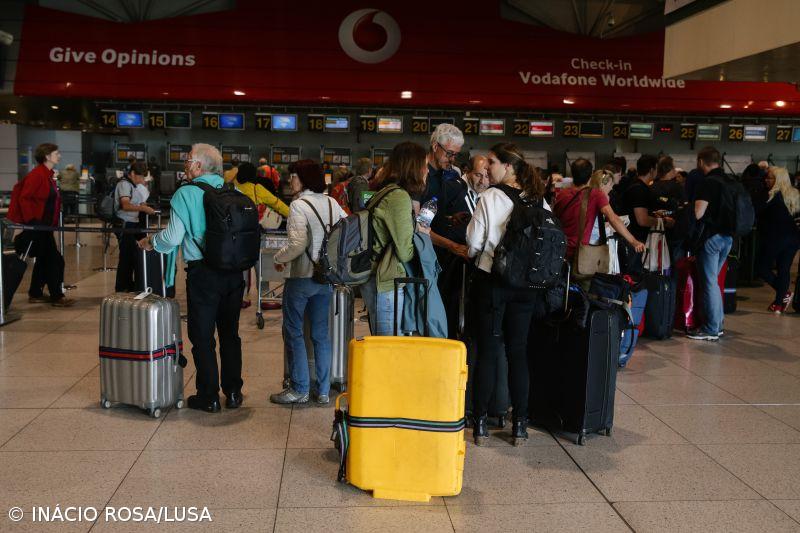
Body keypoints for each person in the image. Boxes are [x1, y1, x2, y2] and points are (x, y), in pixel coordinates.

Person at [138, 144, 244, 412]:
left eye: (188, 160)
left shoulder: (186, 193)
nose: (184, 165)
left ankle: (208, 396)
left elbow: (172, 238)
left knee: (203, 336)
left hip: (204, 274)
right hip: (234, 273)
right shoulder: (234, 191)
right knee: (230, 334)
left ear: (199, 166)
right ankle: (233, 392)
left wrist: (152, 243)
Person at [465, 143, 548, 446]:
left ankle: (482, 425)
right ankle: (521, 424)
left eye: (493, 163)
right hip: (526, 287)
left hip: (494, 282)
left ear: (509, 167)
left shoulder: (490, 197)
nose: (488, 169)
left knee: (488, 350)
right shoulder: (538, 199)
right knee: (518, 351)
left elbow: (474, 243)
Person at [269, 160, 346, 405]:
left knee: (293, 331)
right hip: (326, 277)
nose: (290, 181)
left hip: (302, 277)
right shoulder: (333, 204)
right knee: (321, 335)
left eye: (293, 176)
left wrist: (278, 258)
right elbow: (347, 229)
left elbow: (297, 244)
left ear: (303, 179)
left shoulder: (298, 205)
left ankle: (300, 388)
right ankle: (323, 391)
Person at [360, 142, 428, 336]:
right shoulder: (398, 197)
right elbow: (405, 251)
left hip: (376, 278)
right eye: (424, 165)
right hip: (385, 282)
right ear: (414, 167)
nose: (426, 170)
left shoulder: (387, 190)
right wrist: (421, 236)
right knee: (387, 348)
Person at [10, 143, 74, 307]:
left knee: (45, 260)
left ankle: (36, 292)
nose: (59, 156)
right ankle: (56, 296)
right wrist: (32, 221)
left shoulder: (48, 174)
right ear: (47, 156)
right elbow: (24, 198)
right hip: (38, 226)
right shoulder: (37, 175)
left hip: (44, 227)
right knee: (55, 260)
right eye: (56, 153)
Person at [554, 160, 645, 265]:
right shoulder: (595, 194)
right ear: (590, 175)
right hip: (582, 252)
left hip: (561, 248)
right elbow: (613, 218)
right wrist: (634, 241)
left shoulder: (562, 194)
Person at [687, 146, 733, 341]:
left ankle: (711, 328)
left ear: (700, 162)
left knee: (709, 283)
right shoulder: (730, 180)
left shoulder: (708, 183)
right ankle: (718, 324)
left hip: (711, 239)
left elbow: (698, 212)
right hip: (728, 238)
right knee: (713, 282)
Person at [235, 162, 290, 308]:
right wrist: (294, 214)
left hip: (236, 235)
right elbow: (277, 204)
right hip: (254, 234)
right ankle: (264, 297)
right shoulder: (256, 189)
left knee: (241, 268)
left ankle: (241, 297)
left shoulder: (233, 187)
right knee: (261, 265)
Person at [422, 123, 469, 261]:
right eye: (449, 153)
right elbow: (418, 226)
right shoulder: (421, 176)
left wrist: (449, 218)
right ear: (435, 146)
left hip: (436, 250)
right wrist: (452, 246)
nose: (452, 159)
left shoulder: (441, 174)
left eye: (455, 155)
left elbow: (428, 212)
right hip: (422, 252)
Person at [619, 154, 674, 273]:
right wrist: (663, 221)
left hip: (633, 240)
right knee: (634, 277)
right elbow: (642, 220)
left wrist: (654, 213)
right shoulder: (639, 189)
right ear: (651, 170)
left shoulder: (636, 186)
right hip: (635, 242)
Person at [756, 167, 800, 314]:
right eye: (766, 177)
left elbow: (756, 210)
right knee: (784, 269)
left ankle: (784, 294)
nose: (766, 180)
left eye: (770, 178)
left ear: (779, 180)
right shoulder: (794, 194)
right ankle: (779, 303)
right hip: (793, 239)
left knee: (761, 268)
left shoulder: (770, 195)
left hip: (775, 238)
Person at [114, 161, 156, 293]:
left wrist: (143, 205)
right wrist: (143, 208)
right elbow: (125, 205)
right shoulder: (124, 184)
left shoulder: (133, 185)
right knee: (126, 257)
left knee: (133, 255)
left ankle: (130, 285)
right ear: (132, 174)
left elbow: (137, 201)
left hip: (133, 223)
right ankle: (122, 287)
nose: (142, 180)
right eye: (140, 176)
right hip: (125, 223)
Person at [651, 155, 689, 262]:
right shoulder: (678, 188)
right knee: (675, 263)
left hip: (654, 231)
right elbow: (684, 208)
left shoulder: (652, 187)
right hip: (674, 233)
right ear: (669, 170)